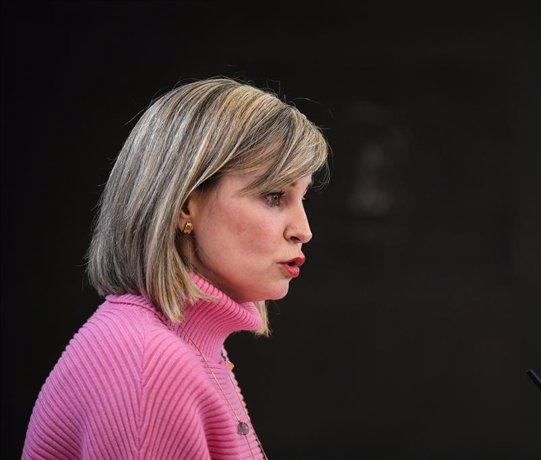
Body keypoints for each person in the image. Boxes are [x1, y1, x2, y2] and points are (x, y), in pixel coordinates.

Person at [22, 77, 330, 459]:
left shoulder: (178, 348)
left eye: (301, 198)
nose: (303, 231)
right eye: (274, 196)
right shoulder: (148, 364)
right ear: (185, 205)